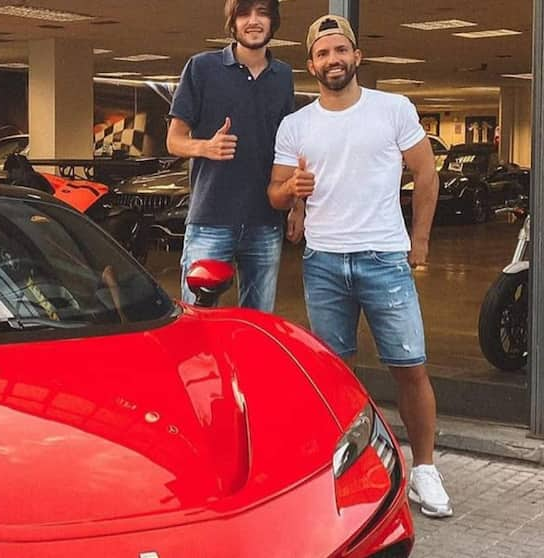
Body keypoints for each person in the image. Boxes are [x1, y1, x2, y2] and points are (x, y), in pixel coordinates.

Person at [267, 15, 451, 518]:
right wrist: (292, 193)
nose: (333, 60)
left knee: (409, 366)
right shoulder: (296, 124)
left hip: (384, 259)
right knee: (335, 374)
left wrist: (421, 241)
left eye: (340, 50)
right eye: (323, 54)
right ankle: (349, 470)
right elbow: (275, 193)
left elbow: (426, 174)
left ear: (357, 56)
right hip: (323, 263)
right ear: (311, 64)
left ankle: (426, 471)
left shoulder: (393, 109)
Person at [166, 0, 295, 310]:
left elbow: (288, 151)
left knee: (258, 320)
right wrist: (204, 147)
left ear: (273, 21)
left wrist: (296, 206)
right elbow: (174, 141)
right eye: (244, 13)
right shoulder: (201, 67)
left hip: (265, 222)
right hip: (210, 219)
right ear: (232, 22)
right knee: (196, 318)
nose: (254, 21)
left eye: (262, 12)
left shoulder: (283, 76)